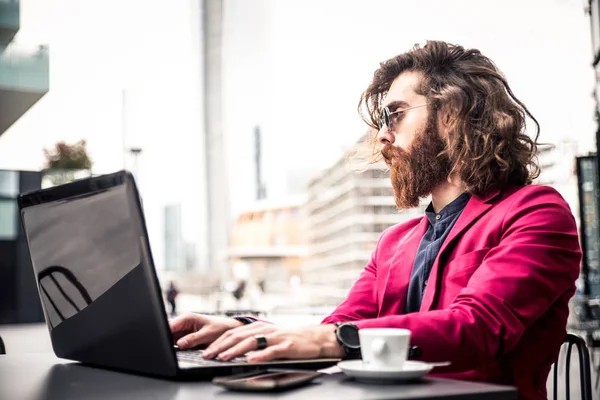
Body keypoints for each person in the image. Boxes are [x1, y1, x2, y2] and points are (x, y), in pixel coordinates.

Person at [169, 41, 581, 400]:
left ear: (452, 112)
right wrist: (239, 329)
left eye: (396, 114)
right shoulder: (394, 242)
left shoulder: (536, 212)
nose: (383, 136)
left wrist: (326, 338)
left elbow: (476, 327)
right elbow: (338, 329)